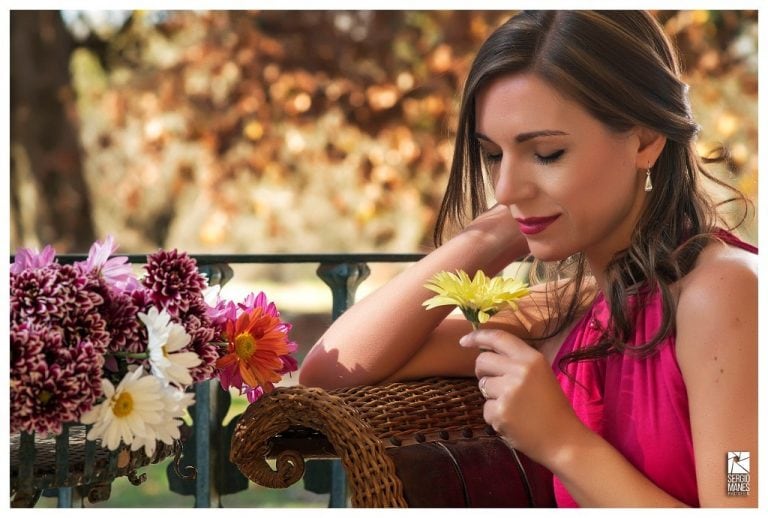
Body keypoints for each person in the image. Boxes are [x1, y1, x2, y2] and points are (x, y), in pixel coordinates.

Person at [298, 10, 757, 508]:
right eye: (494, 155)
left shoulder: (722, 295)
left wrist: (561, 442)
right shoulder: (577, 312)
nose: (504, 188)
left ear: (645, 140)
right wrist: (492, 236)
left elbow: (741, 490)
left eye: (546, 153)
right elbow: (333, 369)